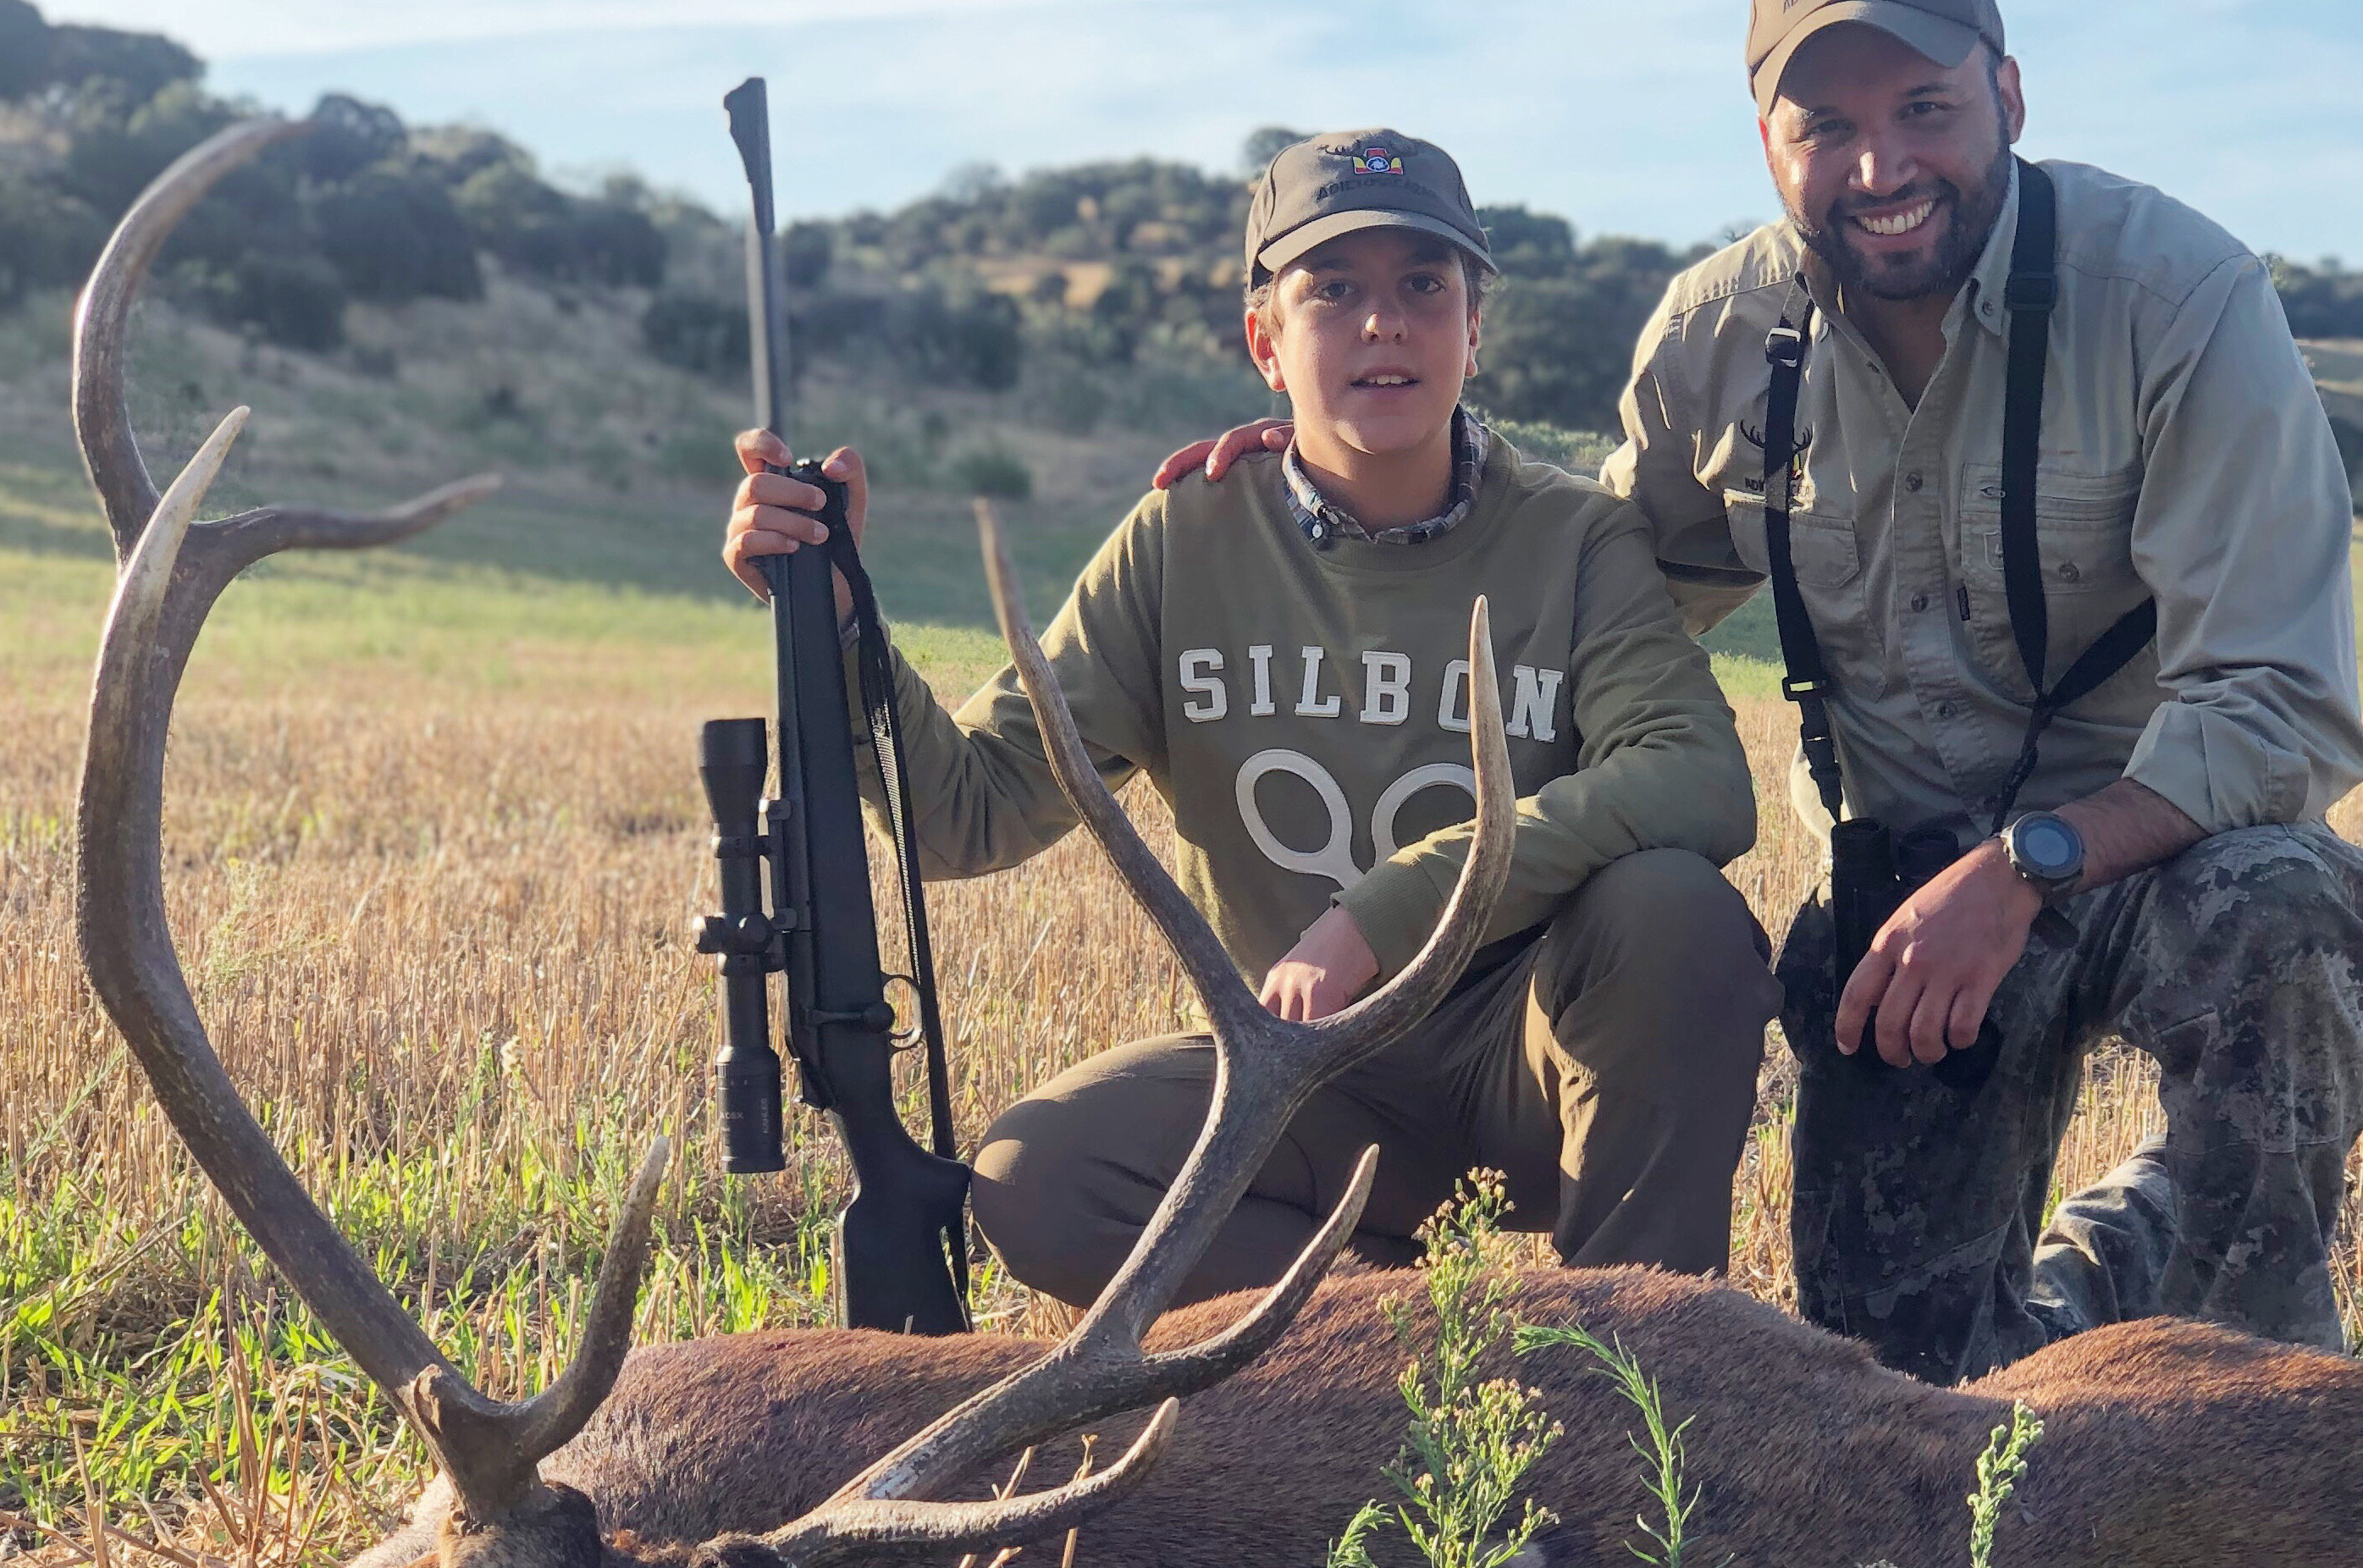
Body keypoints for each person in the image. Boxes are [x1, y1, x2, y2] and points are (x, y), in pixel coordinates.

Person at [1163, 0, 2363, 1386]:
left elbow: (2280, 707)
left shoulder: (2181, 303)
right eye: (1829, 129)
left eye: (1923, 111)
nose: (1880, 169)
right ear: (1769, 144)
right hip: (1897, 890)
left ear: (2008, 94)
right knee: (1908, 1385)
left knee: (2283, 915)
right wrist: (1349, 472)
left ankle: (2269, 1403)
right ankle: (2116, 1255)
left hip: (2146, 854)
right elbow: (1592, 589)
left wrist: (2024, 869)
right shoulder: (1719, 336)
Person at [725, 130, 1775, 1310]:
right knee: (1039, 1182)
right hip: (1299, 1086)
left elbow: (1695, 777)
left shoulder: (1576, 538)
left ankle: (1640, 1378)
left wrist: (1379, 915)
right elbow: (970, 814)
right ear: (1264, 343)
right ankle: (1417, 1348)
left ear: (1475, 328)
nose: (1384, 324)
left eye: (1424, 286)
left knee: (1676, 915)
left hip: (1531, 1066)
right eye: (1334, 291)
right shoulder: (1184, 540)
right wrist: (839, 617)